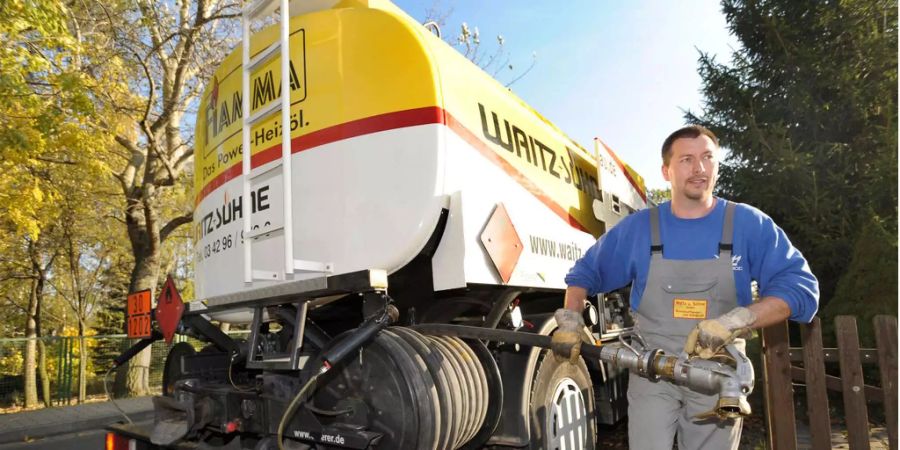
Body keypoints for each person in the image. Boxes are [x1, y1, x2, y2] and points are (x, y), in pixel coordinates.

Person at [551, 125, 819, 450]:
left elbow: (801, 290)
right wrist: (569, 320)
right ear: (666, 171)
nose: (699, 168)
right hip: (651, 369)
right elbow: (584, 273)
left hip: (718, 373)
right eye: (687, 159)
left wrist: (735, 321)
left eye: (708, 158)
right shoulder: (641, 228)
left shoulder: (748, 225)